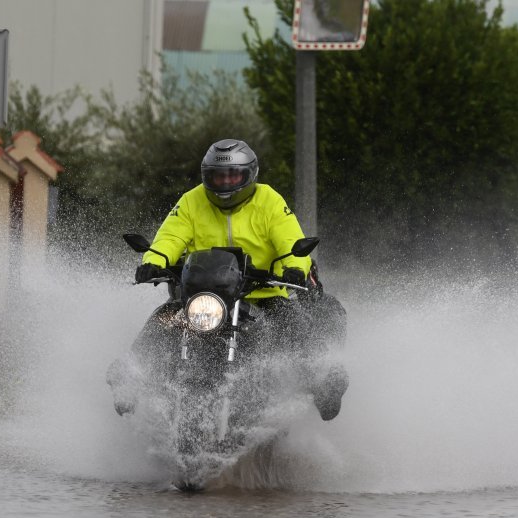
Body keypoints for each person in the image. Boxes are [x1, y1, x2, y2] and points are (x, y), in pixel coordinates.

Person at [107, 139, 348, 420]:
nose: (225, 182)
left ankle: (326, 383)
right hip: (204, 297)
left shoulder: (269, 200)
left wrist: (293, 265)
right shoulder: (191, 201)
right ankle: (130, 378)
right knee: (163, 320)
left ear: (249, 175)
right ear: (206, 176)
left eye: (232, 175)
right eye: (217, 176)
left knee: (294, 329)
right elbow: (171, 236)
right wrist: (153, 262)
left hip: (262, 294)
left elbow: (289, 237)